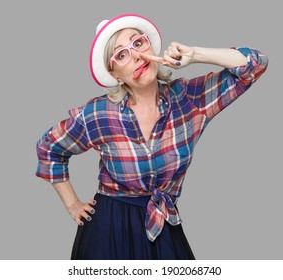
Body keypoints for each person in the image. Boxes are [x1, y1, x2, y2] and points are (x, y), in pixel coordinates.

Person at [35, 13, 268, 260]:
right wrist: (72, 204)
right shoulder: (98, 115)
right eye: (121, 55)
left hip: (164, 222)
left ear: (151, 47)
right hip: (109, 231)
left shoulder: (189, 99)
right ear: (114, 73)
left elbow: (254, 65)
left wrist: (195, 54)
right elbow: (49, 148)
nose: (136, 55)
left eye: (138, 43)